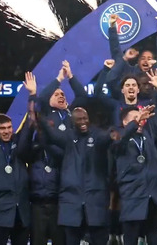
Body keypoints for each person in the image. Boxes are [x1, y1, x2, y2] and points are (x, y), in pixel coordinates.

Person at [40, 104, 117, 245]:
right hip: (72, 205)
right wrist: (36, 106)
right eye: (79, 120)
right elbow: (49, 135)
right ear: (72, 122)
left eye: (85, 119)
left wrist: (113, 135)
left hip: (95, 204)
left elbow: (106, 137)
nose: (83, 122)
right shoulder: (67, 138)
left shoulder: (97, 135)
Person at [112, 69, 157, 245]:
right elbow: (118, 145)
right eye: (135, 118)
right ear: (125, 123)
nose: (140, 120)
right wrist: (135, 123)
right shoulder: (119, 137)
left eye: (140, 118)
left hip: (153, 196)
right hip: (133, 197)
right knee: (130, 239)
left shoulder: (149, 133)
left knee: (154, 238)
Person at [0, 74, 34, 245]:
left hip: (21, 210)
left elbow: (30, 123)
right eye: (3, 128)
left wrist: (32, 96)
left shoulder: (17, 142)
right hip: (1, 211)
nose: (7, 131)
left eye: (9, 127)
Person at [25, 72, 67, 245]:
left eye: (63, 94)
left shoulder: (70, 119)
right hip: (39, 195)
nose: (61, 95)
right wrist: (57, 79)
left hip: (60, 196)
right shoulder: (44, 115)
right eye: (56, 94)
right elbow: (37, 104)